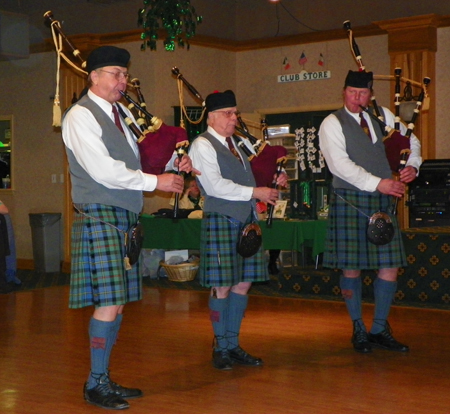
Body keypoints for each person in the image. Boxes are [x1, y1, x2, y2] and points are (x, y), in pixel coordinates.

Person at [61, 45, 198, 410]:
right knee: (108, 303)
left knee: (117, 303)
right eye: (115, 74)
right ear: (93, 76)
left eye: (124, 74)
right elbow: (103, 169)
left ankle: (103, 377)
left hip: (125, 216)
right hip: (101, 216)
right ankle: (95, 383)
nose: (123, 81)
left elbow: (142, 157)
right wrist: (157, 183)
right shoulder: (80, 116)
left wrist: (173, 162)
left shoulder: (121, 113)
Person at [318, 70, 422, 353]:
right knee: (351, 266)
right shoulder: (332, 123)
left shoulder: (382, 115)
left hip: (382, 200)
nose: (356, 98)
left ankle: (379, 328)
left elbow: (410, 142)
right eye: (351, 92)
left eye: (362, 93)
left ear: (371, 94)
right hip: (350, 199)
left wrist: (412, 164)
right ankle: (358, 328)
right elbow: (339, 165)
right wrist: (380, 183)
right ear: (344, 91)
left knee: (389, 265)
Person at [189, 90, 284, 370]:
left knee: (243, 283)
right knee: (223, 286)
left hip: (247, 221)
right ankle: (220, 346)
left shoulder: (239, 144)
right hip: (222, 219)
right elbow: (215, 186)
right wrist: (257, 190)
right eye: (229, 114)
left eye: (235, 112)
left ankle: (233, 343)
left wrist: (275, 178)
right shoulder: (203, 145)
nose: (234, 118)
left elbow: (254, 175)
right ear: (212, 116)